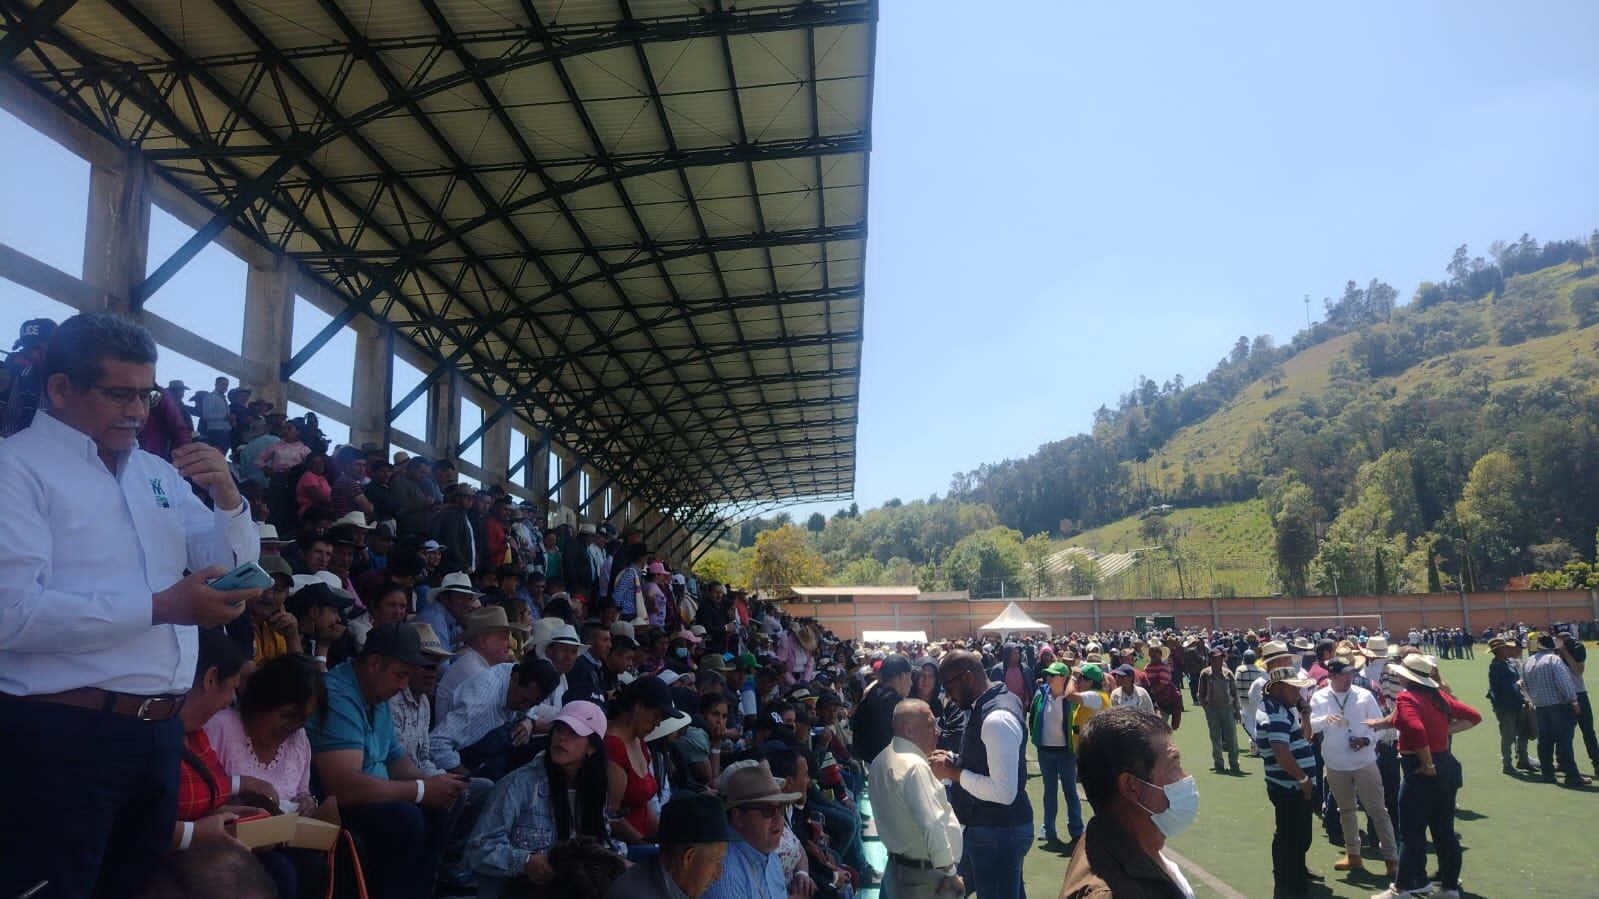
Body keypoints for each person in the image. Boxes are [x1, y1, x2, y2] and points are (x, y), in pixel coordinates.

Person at [0, 312, 262, 898]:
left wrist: (227, 495)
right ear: (60, 388)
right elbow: (11, 614)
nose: (138, 411)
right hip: (59, 732)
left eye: (146, 395)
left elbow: (230, 559)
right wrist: (161, 607)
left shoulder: (156, 474)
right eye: (119, 394)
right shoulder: (15, 469)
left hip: (157, 734)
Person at [305, 622, 469, 899]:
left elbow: (396, 760)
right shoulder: (337, 695)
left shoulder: (377, 694)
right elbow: (343, 787)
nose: (404, 684)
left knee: (440, 806)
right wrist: (420, 791)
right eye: (400, 675)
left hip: (374, 795)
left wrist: (433, 784)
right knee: (403, 817)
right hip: (337, 805)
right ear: (374, 663)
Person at [465, 700, 615, 898]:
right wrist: (526, 862)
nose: (562, 738)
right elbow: (477, 850)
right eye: (559, 729)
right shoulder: (518, 784)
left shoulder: (594, 789)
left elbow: (600, 843)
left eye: (574, 733)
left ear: (592, 748)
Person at [1372, 654, 1481, 899]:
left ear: (1406, 676)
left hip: (1420, 769)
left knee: (1411, 833)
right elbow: (1474, 716)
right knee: (1444, 830)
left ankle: (1402, 888)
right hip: (1447, 767)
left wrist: (1427, 761)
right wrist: (1379, 724)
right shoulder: (1437, 696)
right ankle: (1450, 887)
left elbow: (1416, 729)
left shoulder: (1406, 698)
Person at [1059, 708, 1196, 899]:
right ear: (1131, 786)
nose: (1186, 778)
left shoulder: (1126, 844)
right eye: (1174, 766)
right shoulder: (1111, 893)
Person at [933, 650, 1031, 899]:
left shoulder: (997, 718)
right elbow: (988, 762)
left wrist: (955, 773)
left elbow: (1004, 792)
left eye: (948, 687)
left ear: (967, 678)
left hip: (999, 831)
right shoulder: (991, 703)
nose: (948, 696)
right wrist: (956, 760)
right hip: (995, 830)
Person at [1307, 657, 1397, 877]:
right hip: (1335, 765)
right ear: (1332, 676)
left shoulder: (1363, 695)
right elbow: (1309, 726)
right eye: (1344, 675)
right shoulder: (1318, 697)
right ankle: (1353, 855)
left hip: (1364, 762)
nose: (1349, 678)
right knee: (1345, 811)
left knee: (1378, 811)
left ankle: (1392, 859)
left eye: (1350, 674)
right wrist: (1324, 720)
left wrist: (1366, 740)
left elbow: (1382, 727)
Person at [868, 698, 963, 898]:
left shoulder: (880, 760)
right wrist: (950, 873)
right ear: (909, 730)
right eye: (931, 725)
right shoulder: (914, 766)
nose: (937, 731)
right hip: (925, 879)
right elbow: (933, 825)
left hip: (900, 871)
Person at [1254, 666, 1319, 898]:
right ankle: (1289, 884)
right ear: (1279, 689)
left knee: (1297, 835)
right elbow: (1281, 751)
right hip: (1289, 786)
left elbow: (1305, 737)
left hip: (1291, 784)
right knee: (1291, 836)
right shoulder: (1274, 712)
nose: (1299, 695)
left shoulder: (1281, 709)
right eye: (1295, 690)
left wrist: (1306, 715)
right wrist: (1303, 779)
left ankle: (1295, 875)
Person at [700, 763, 805, 899]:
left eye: (781, 808)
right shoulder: (725, 874)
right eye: (768, 811)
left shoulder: (767, 853)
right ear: (738, 817)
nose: (778, 818)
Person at [605, 792, 731, 899]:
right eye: (717, 861)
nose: (719, 875)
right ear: (688, 857)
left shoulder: (667, 882)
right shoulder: (636, 894)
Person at [606, 676, 679, 847]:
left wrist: (666, 839)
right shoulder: (613, 746)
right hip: (623, 847)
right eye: (657, 716)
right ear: (638, 707)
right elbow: (611, 816)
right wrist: (645, 844)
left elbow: (645, 807)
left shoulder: (640, 742)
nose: (659, 723)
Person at [437, 605, 527, 720]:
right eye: (504, 638)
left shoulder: (474, 661)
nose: (509, 644)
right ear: (483, 640)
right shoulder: (473, 669)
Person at [1523, 633, 1586, 785]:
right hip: (1558, 705)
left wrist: (1532, 700)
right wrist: (1574, 701)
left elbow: (1524, 684)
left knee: (1544, 741)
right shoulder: (1554, 659)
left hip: (1540, 706)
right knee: (1564, 741)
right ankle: (1572, 776)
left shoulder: (1528, 662)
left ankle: (1547, 773)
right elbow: (1563, 683)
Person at [1485, 636, 1537, 774]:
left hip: (1517, 703)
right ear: (1500, 650)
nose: (1508, 649)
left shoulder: (1507, 663)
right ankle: (1507, 764)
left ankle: (1523, 760)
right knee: (1508, 735)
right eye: (1505, 647)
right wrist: (1517, 684)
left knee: (1523, 732)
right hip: (1505, 707)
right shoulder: (1496, 667)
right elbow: (1503, 688)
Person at [852, 653, 912, 764]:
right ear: (902, 676)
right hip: (888, 766)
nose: (911, 683)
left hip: (870, 763)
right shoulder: (894, 703)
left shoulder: (873, 693)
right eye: (910, 677)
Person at [1196, 647, 1242, 773]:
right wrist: (1206, 708)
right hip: (1212, 710)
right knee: (1215, 737)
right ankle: (1219, 764)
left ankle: (1234, 763)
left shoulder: (1228, 673)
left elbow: (1234, 693)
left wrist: (1237, 711)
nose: (1219, 661)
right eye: (1216, 659)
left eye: (1221, 658)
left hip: (1227, 709)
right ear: (1211, 660)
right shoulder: (1205, 673)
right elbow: (1200, 694)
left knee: (1232, 738)